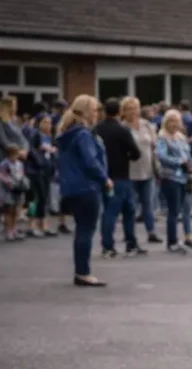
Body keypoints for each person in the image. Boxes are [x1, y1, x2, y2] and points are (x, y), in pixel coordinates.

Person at [57, 95, 111, 287]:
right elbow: (90, 161)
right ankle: (83, 272)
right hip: (87, 187)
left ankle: (81, 270)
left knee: (81, 229)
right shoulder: (83, 135)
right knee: (86, 230)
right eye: (95, 110)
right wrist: (104, 178)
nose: (97, 114)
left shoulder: (68, 133)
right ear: (87, 112)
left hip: (71, 188)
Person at [94, 98, 145, 257]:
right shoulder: (122, 130)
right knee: (127, 210)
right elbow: (135, 152)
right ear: (119, 112)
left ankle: (108, 244)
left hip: (103, 174)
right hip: (122, 174)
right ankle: (128, 243)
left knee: (109, 211)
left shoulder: (97, 129)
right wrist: (127, 155)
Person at [121, 97, 162, 244]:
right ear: (124, 111)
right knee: (131, 206)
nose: (133, 111)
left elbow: (154, 147)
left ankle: (151, 232)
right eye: (129, 108)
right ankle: (129, 234)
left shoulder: (147, 126)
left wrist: (157, 167)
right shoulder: (122, 127)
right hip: (130, 172)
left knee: (148, 204)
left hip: (148, 171)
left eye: (135, 108)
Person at [156, 110, 192, 254]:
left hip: (184, 177)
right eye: (171, 121)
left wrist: (190, 166)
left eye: (177, 121)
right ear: (166, 122)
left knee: (184, 209)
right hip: (171, 176)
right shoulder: (162, 138)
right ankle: (172, 241)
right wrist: (179, 162)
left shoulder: (181, 138)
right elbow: (161, 156)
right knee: (174, 210)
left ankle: (183, 238)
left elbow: (188, 155)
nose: (174, 124)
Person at [25, 113, 57, 238]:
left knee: (44, 198)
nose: (48, 125)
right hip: (36, 170)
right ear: (39, 123)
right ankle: (31, 225)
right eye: (45, 122)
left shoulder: (50, 137)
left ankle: (43, 224)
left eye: (49, 122)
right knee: (35, 198)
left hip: (47, 170)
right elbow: (32, 151)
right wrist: (41, 160)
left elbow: (53, 151)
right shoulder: (35, 134)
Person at [0, 144, 28, 241]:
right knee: (8, 210)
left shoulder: (19, 164)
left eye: (16, 154)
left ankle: (14, 229)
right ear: (8, 154)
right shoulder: (4, 164)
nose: (14, 157)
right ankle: (8, 230)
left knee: (16, 211)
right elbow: (1, 176)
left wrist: (22, 181)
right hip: (7, 190)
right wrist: (10, 182)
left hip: (18, 189)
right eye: (12, 155)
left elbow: (22, 173)